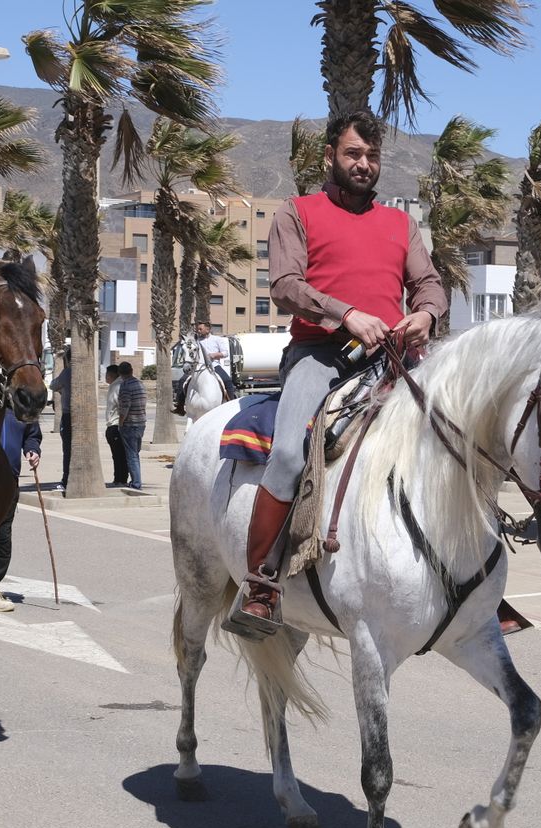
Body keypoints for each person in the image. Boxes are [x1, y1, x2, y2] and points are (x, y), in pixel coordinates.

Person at [228, 110, 446, 639]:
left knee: (457, 436)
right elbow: (284, 284)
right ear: (330, 156)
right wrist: (344, 312)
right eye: (353, 154)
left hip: (393, 357)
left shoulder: (401, 224)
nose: (364, 164)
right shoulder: (297, 212)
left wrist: (427, 315)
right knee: (286, 453)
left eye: (372, 156)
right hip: (320, 354)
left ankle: (476, 581)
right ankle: (262, 584)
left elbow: (429, 284)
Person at [0, 415, 43, 613]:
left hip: (8, 482)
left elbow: (32, 433)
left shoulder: (20, 405)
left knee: (2, 539)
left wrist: (32, 449)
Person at [172, 319, 236, 415]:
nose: (198, 331)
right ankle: (180, 406)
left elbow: (225, 353)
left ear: (208, 329)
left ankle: (231, 404)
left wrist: (214, 355)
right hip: (198, 367)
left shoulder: (217, 339)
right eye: (197, 329)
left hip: (214, 365)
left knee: (227, 380)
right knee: (182, 380)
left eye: (200, 329)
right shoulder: (196, 341)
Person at [115, 361, 146, 490]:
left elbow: (125, 407)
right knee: (135, 453)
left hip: (130, 424)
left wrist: (120, 423)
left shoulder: (125, 386)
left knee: (131, 455)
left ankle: (136, 483)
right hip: (141, 423)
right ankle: (136, 480)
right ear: (132, 370)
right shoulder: (140, 384)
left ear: (120, 374)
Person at [47, 349, 72, 489]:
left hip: (68, 415)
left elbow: (53, 385)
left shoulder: (67, 372)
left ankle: (66, 480)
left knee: (67, 449)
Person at [104, 363, 130, 487]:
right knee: (117, 454)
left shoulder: (117, 386)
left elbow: (121, 406)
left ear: (112, 375)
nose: (105, 377)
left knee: (119, 454)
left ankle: (121, 478)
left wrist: (120, 423)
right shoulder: (114, 385)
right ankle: (119, 477)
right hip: (112, 424)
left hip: (116, 425)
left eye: (107, 375)